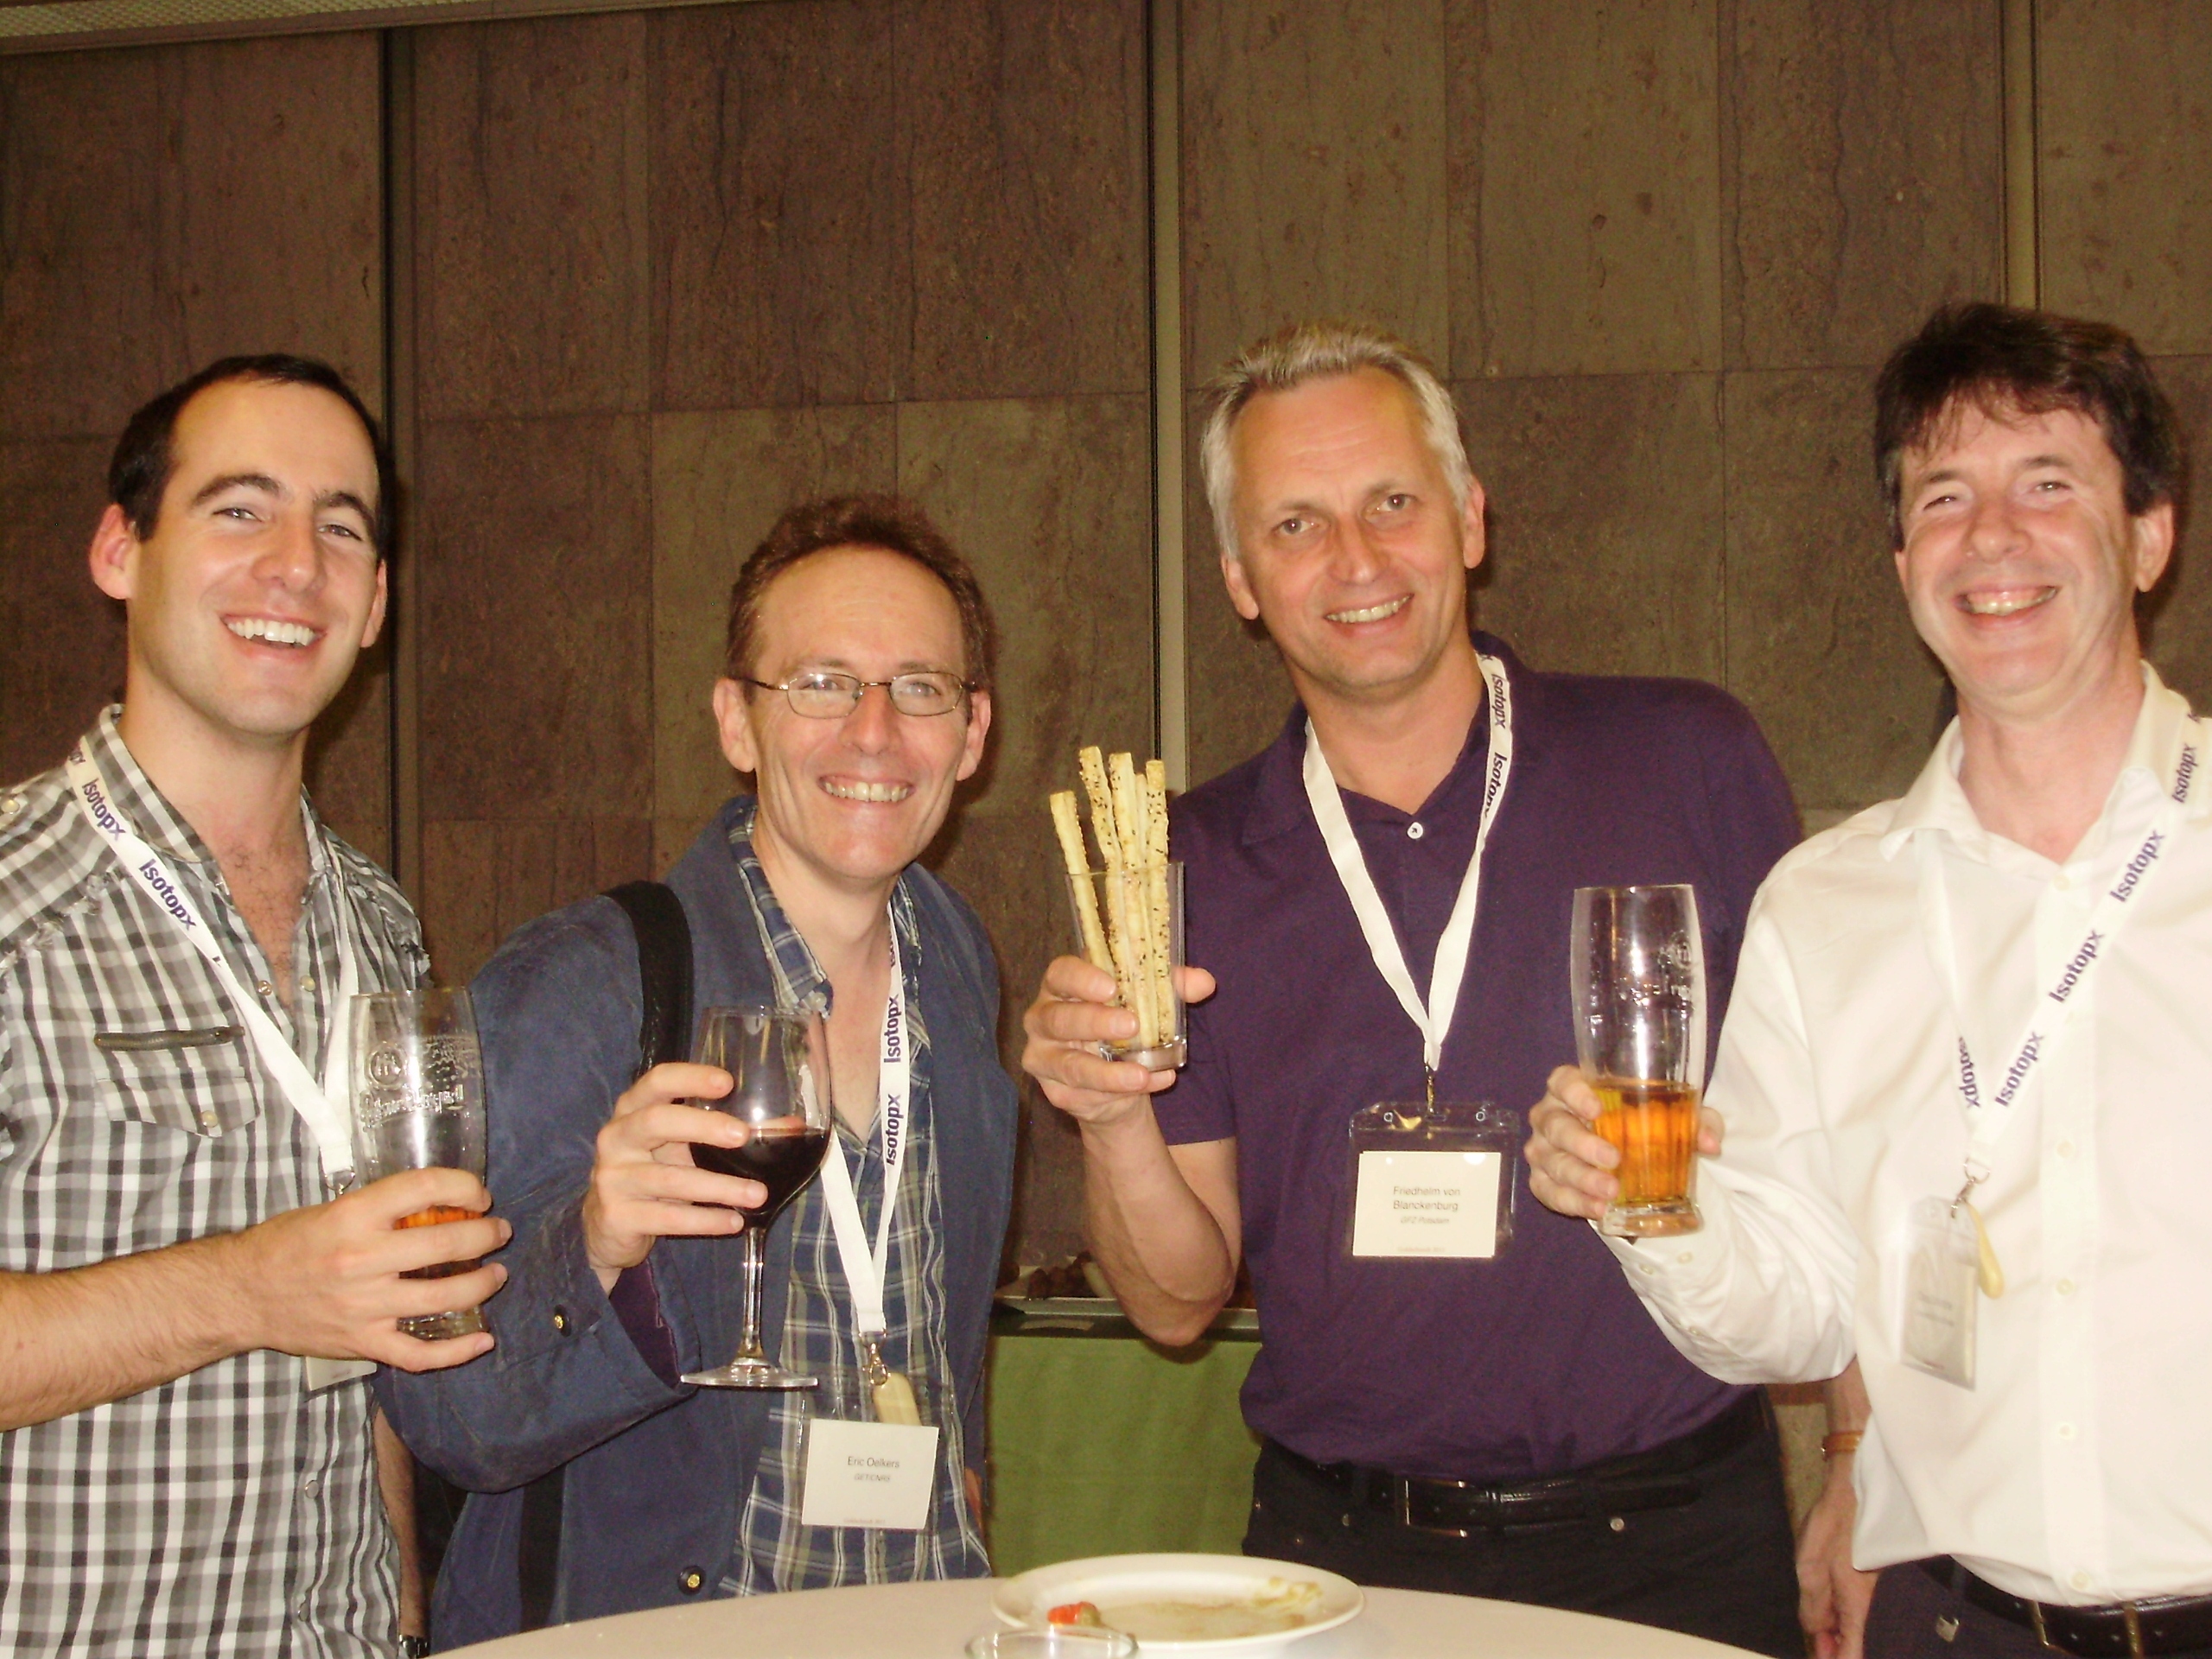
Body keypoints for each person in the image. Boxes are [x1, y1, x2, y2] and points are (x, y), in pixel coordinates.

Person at [1022, 320, 1806, 1656]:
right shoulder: (1184, 864)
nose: (1357, 558)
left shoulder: (1686, 758)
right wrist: (1110, 1117)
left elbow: (1843, 1148)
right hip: (1345, 1570)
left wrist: (1858, 1460)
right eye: (1296, 524)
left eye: (1392, 502)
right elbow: (1173, 1303)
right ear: (1240, 580)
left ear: (1470, 519)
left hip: (1678, 1545)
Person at [1527, 300, 2212, 1659]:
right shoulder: (1825, 906)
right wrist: (1650, 1206)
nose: (1992, 536)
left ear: (2149, 536)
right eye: (1943, 497)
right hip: (1953, 1624)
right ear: (1904, 562)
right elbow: (1797, 1310)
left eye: (2047, 484)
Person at [381, 495, 1017, 1646]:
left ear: (972, 733)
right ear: (737, 722)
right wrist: (593, 1248)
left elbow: (941, 1337)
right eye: (821, 682)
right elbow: (447, 1412)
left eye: (919, 687)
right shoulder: (585, 984)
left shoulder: (959, 961)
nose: (874, 731)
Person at [0, 355, 507, 1658]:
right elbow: (285, 1293)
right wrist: (244, 1290)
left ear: (376, 602)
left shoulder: (382, 926)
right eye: (240, 509)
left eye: (341, 528)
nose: (295, 567)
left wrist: (398, 1589)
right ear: (121, 551)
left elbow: (379, 1319)